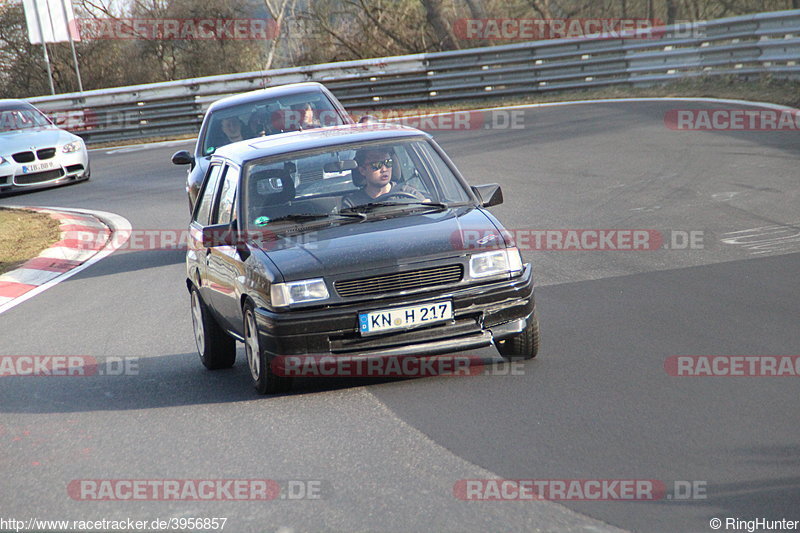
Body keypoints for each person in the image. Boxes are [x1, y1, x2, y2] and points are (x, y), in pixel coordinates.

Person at [341, 147, 426, 209]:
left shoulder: (409, 195)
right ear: (363, 170)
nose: (384, 169)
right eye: (376, 165)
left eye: (388, 163)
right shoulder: (352, 204)